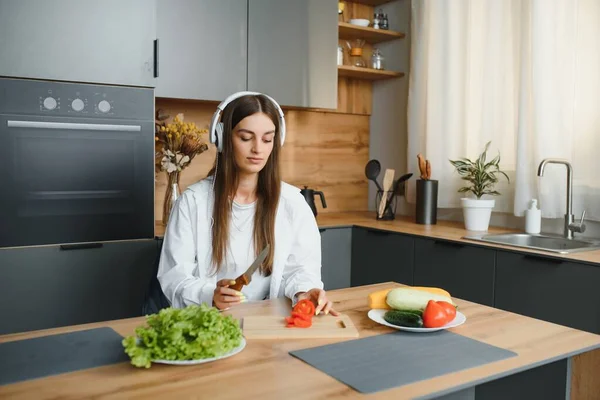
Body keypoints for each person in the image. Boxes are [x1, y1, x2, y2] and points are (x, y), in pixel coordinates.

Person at [157, 91, 339, 316]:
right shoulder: (192, 202)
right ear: (223, 138)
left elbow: (299, 271)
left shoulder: (293, 203)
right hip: (211, 321)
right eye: (245, 138)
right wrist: (209, 295)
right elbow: (174, 277)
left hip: (269, 322)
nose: (258, 149)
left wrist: (304, 292)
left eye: (267, 139)